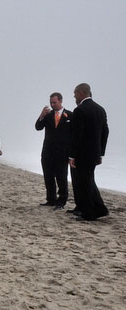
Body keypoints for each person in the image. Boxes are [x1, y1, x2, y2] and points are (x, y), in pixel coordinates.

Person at [69, 83, 109, 221]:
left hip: (82, 154)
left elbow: (77, 135)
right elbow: (105, 132)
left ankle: (89, 213)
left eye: (75, 93)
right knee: (89, 181)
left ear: (81, 93)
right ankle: (99, 208)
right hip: (94, 153)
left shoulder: (80, 110)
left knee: (84, 183)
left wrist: (72, 155)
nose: (74, 95)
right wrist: (101, 152)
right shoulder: (100, 109)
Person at [35, 92, 72, 210]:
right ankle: (51, 199)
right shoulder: (48, 115)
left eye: (54, 102)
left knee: (61, 177)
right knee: (48, 177)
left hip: (62, 152)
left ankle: (61, 201)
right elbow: (38, 127)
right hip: (48, 152)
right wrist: (41, 115)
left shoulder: (69, 115)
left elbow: (74, 134)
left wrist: (71, 153)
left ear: (60, 101)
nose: (52, 105)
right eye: (51, 102)